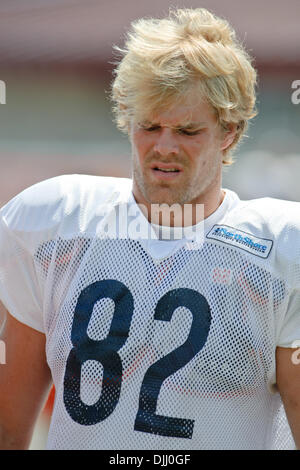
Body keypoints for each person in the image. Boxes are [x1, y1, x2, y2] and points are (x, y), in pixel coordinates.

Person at [0, 7, 299, 450]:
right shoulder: (56, 224)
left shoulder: (278, 251)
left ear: (230, 131)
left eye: (188, 130)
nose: (164, 146)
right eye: (150, 125)